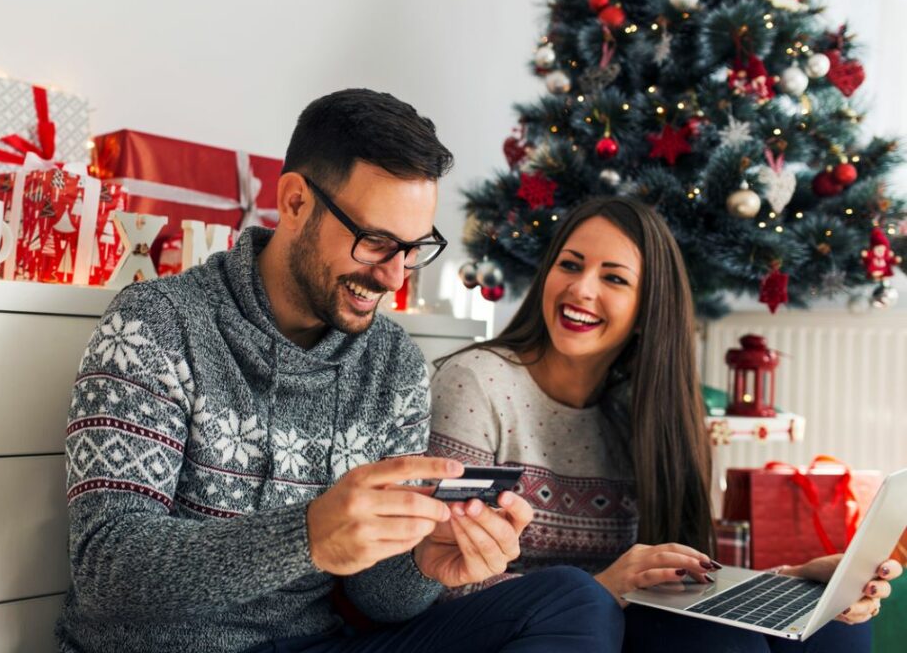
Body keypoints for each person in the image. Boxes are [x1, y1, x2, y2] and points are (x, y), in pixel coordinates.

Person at [56, 89, 623, 653]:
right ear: (296, 202)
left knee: (574, 600)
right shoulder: (157, 323)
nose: (394, 277)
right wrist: (305, 536)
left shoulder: (393, 363)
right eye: (375, 242)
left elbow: (383, 601)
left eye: (413, 248)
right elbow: (107, 566)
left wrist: (424, 561)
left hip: (315, 646)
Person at [427, 196, 901, 652]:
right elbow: (437, 578)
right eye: (570, 265)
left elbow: (678, 573)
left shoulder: (646, 405)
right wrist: (597, 589)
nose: (582, 289)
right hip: (511, 626)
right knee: (713, 641)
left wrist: (785, 582)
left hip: (618, 617)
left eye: (614, 278)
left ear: (646, 310)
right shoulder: (479, 383)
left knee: (832, 627)